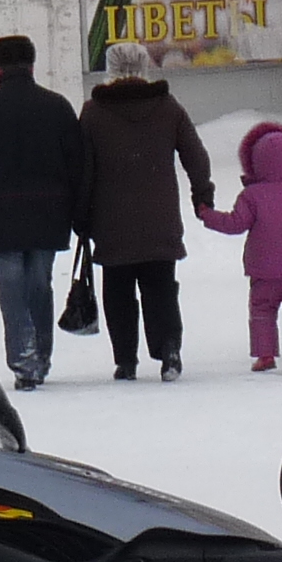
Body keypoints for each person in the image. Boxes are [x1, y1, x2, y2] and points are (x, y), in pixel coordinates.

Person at [0, 33, 87, 390]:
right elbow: (77, 163)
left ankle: (23, 360)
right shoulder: (56, 107)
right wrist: (74, 206)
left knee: (10, 289)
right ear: (32, 64)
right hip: (48, 213)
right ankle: (40, 354)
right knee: (40, 285)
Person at [79, 39, 213, 381]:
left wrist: (80, 214)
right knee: (161, 288)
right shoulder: (167, 107)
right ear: (145, 67)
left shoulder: (93, 113)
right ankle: (169, 351)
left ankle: (126, 360)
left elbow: (83, 169)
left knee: (118, 292)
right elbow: (195, 155)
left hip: (111, 222)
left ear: (110, 70)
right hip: (160, 218)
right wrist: (203, 193)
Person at [198, 116, 282, 375]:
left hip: (264, 268)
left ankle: (265, 355)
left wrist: (208, 216)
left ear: (254, 162)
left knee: (262, 309)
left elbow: (235, 224)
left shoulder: (251, 196)